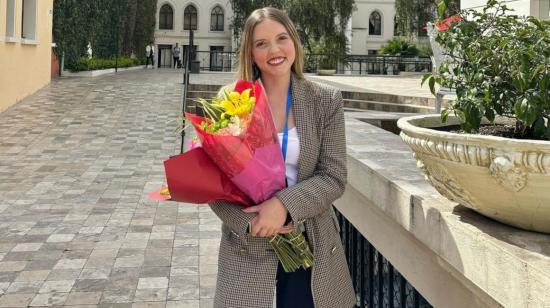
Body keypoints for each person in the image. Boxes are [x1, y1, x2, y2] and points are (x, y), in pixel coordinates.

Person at [208, 7, 355, 308]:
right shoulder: (229, 101)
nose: (274, 50)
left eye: (281, 38)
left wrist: (283, 207)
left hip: (311, 244)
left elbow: (334, 176)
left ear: (294, 43)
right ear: (250, 52)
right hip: (247, 248)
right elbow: (212, 184)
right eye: (261, 43)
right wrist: (253, 222)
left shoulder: (325, 100)